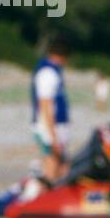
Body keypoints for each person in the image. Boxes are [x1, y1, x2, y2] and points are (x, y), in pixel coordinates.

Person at [31, 34, 71, 183]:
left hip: (54, 128)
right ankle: (45, 199)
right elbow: (45, 105)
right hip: (48, 129)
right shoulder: (47, 73)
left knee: (63, 166)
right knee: (51, 165)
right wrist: (53, 137)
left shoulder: (52, 71)